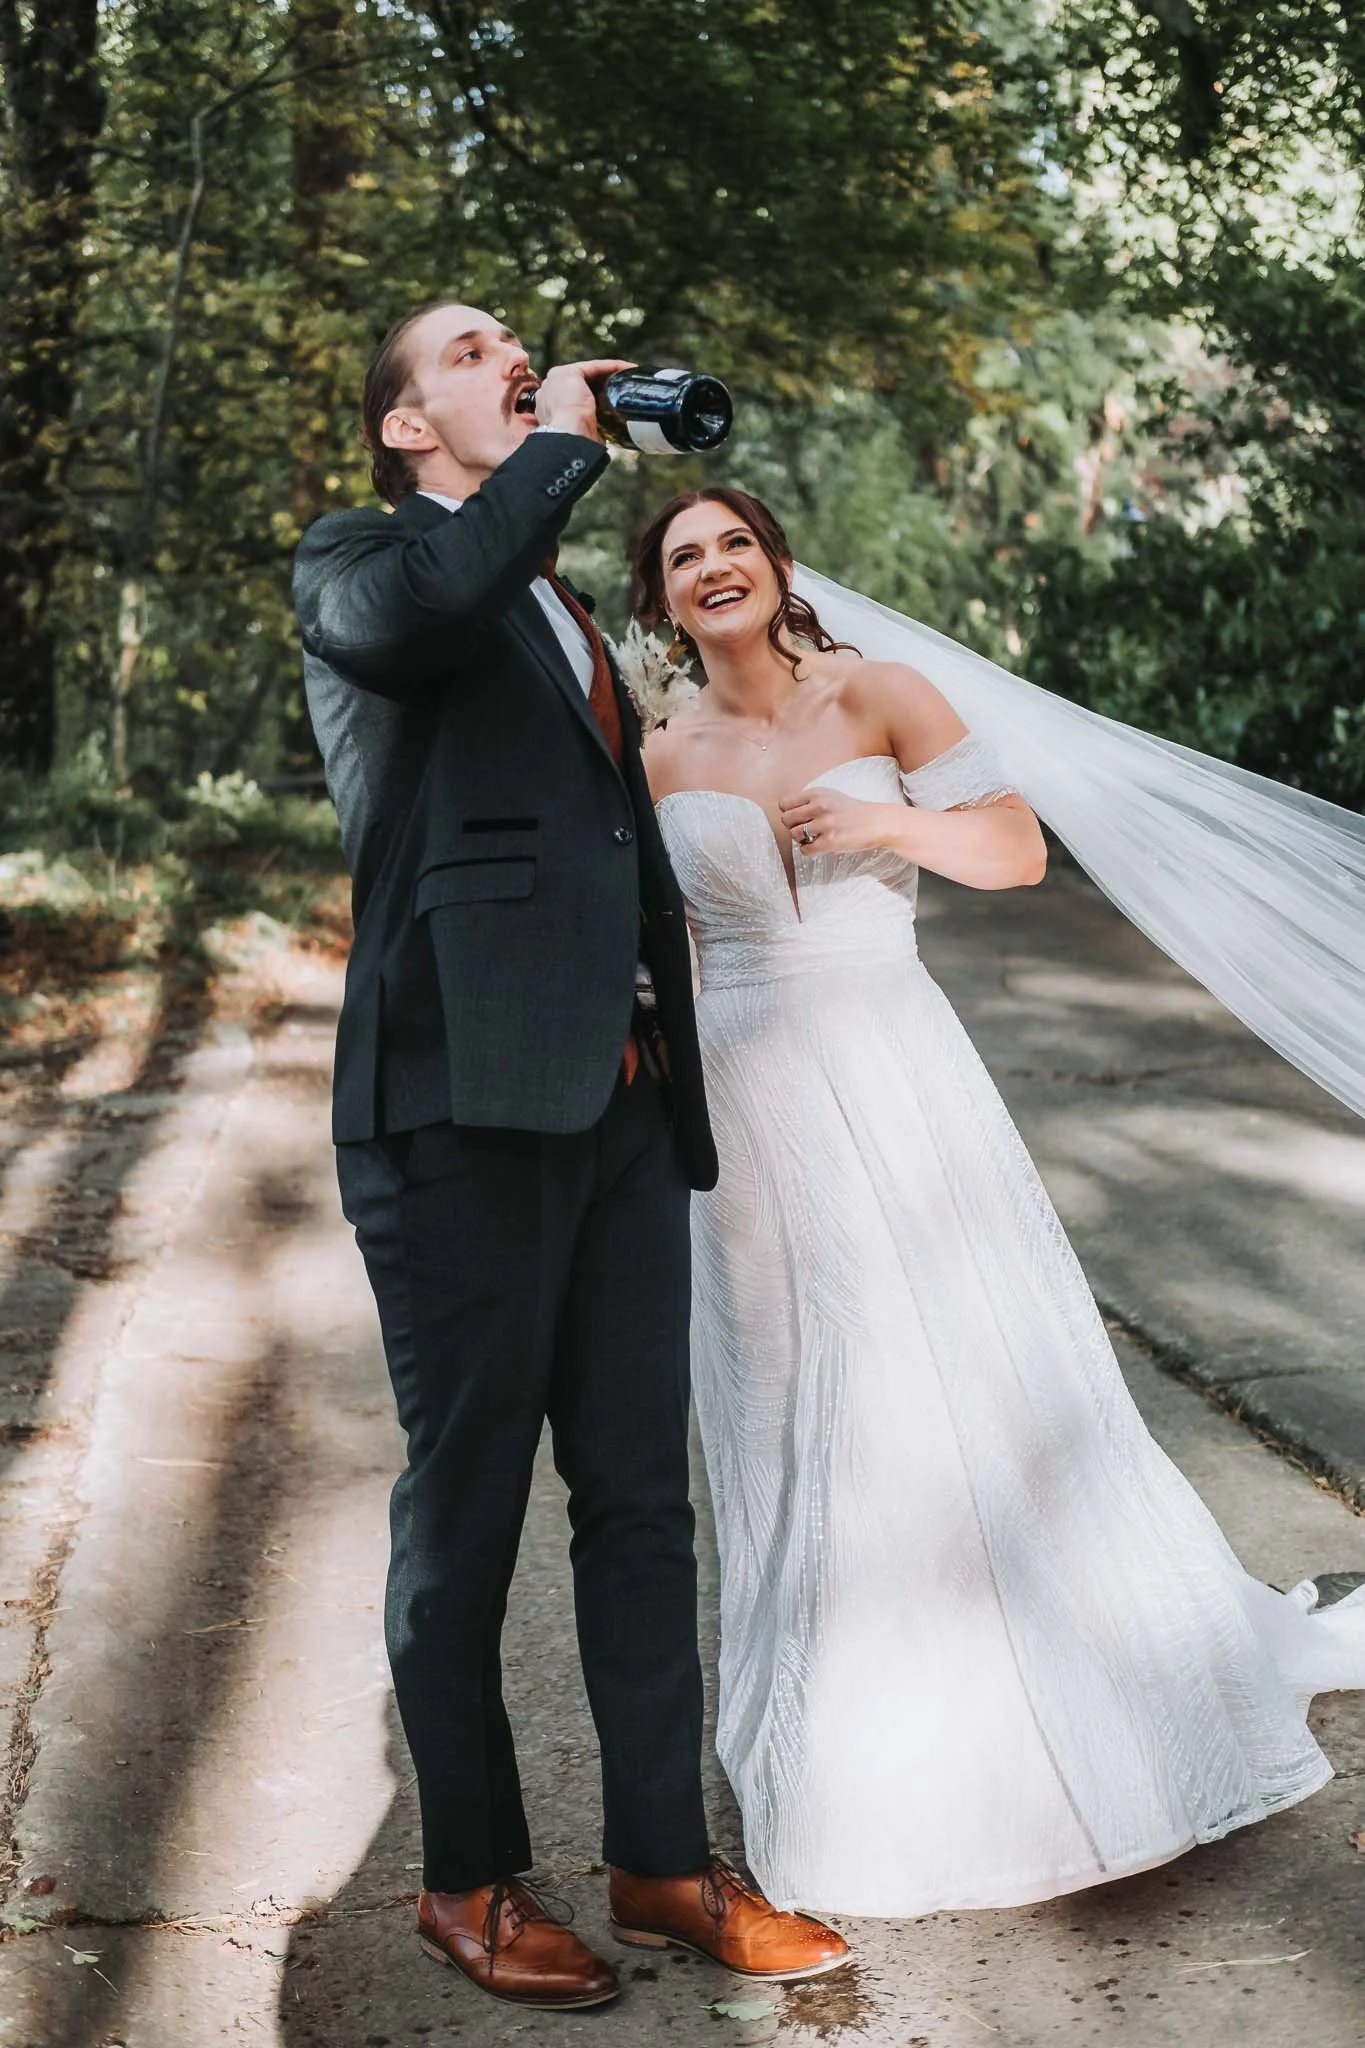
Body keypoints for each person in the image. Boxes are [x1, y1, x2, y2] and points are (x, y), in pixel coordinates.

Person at [632, 484, 1365, 1918]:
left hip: (899, 1072)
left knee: (965, 1372)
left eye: (733, 544)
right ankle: (852, 1748)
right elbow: (666, 948)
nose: (713, 567)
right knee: (798, 1404)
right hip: (749, 1108)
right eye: (682, 558)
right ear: (662, 602)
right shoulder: (656, 757)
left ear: (779, 567)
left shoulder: (883, 694)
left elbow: (1017, 850)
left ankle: (1078, 1720)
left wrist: (884, 828)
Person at [291, 315, 849, 2007]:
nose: (517, 356)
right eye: (476, 351)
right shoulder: (367, 562)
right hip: (455, 1119)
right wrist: (562, 438)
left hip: (616, 1111)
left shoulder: (553, 597)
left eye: (523, 346)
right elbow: (420, 614)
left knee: (638, 1505)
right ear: (407, 423)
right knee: (462, 1519)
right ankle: (465, 1878)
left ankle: (664, 1863)